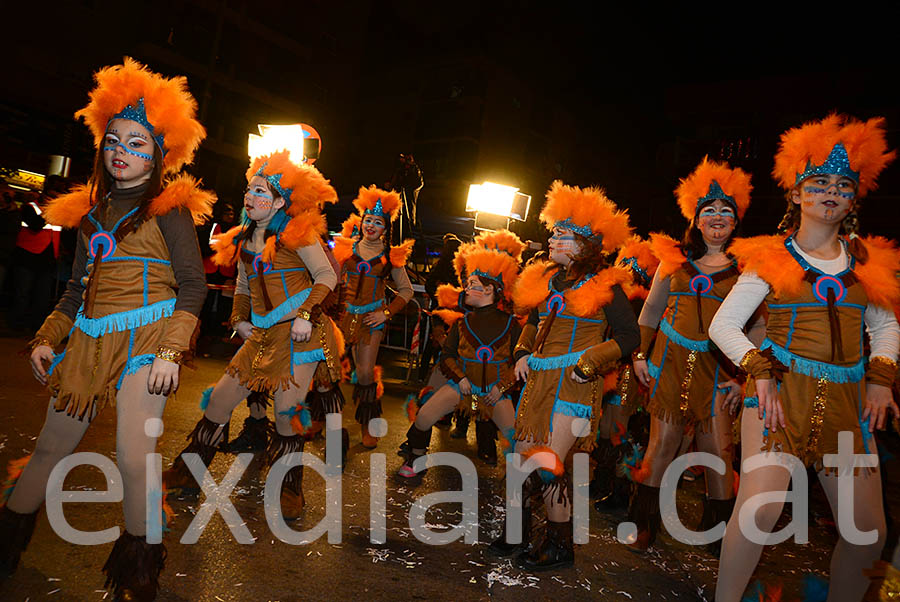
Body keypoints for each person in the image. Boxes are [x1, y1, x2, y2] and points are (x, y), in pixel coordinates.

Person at [0, 58, 212, 600]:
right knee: (50, 447)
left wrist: (171, 349)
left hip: (148, 339)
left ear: (159, 152)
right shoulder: (92, 213)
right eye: (114, 140)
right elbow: (76, 288)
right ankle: (5, 544)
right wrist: (50, 335)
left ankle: (140, 574)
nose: (122, 152)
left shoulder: (169, 210)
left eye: (137, 143)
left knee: (133, 455)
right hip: (90, 341)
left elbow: (193, 286)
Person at [710, 114, 900, 602]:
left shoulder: (867, 263)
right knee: (758, 512)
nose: (830, 192)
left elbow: (884, 326)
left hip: (846, 405)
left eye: (842, 184)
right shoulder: (772, 257)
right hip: (778, 399)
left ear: (854, 197)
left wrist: (881, 379)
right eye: (817, 183)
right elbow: (724, 326)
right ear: (796, 194)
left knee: (867, 535)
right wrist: (759, 371)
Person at [163, 149, 341, 521]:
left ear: (279, 201)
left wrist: (306, 314)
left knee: (284, 415)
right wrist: (238, 319)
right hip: (260, 336)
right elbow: (243, 286)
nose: (251, 197)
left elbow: (327, 275)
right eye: (250, 189)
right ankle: (189, 474)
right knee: (218, 403)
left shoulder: (298, 235)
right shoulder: (245, 239)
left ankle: (291, 489)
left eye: (261, 192)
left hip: (298, 337)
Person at [496, 181, 639, 570]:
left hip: (575, 387)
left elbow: (629, 336)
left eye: (565, 234)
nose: (555, 239)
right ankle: (516, 532)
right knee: (520, 460)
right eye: (555, 232)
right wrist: (523, 352)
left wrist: (590, 362)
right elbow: (533, 323)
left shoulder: (606, 285)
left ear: (586, 244)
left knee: (545, 464)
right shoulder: (548, 279)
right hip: (538, 384)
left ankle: (560, 547)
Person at [627, 158, 755, 552]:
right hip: (668, 361)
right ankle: (643, 523)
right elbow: (649, 312)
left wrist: (741, 377)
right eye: (709, 211)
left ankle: (719, 530)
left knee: (718, 450)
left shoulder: (748, 268)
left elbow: (761, 328)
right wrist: (638, 355)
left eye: (726, 211)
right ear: (696, 219)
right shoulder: (674, 260)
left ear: (736, 221)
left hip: (718, 369)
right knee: (662, 444)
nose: (718, 217)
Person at [397, 229, 524, 476]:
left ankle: (523, 484)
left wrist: (502, 387)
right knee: (424, 417)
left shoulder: (512, 325)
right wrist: (461, 379)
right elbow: (447, 357)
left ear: (489, 290)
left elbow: (520, 362)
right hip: (461, 387)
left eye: (472, 285)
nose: (465, 289)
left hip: (494, 394)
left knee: (517, 438)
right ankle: (416, 458)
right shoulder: (461, 323)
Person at [333, 186, 415, 448]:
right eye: (368, 220)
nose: (371, 225)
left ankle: (368, 424)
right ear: (361, 221)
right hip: (342, 317)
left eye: (378, 222)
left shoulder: (392, 256)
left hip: (371, 320)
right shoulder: (345, 247)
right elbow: (330, 280)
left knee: (366, 373)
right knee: (328, 370)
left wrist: (386, 313)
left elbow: (406, 291)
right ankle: (316, 419)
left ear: (385, 228)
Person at [591, 235, 659, 510]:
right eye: (624, 265)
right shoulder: (615, 298)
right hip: (612, 370)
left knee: (620, 433)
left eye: (631, 268)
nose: (624, 272)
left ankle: (622, 493)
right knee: (606, 430)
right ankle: (603, 481)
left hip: (631, 374)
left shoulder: (643, 304)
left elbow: (640, 340)